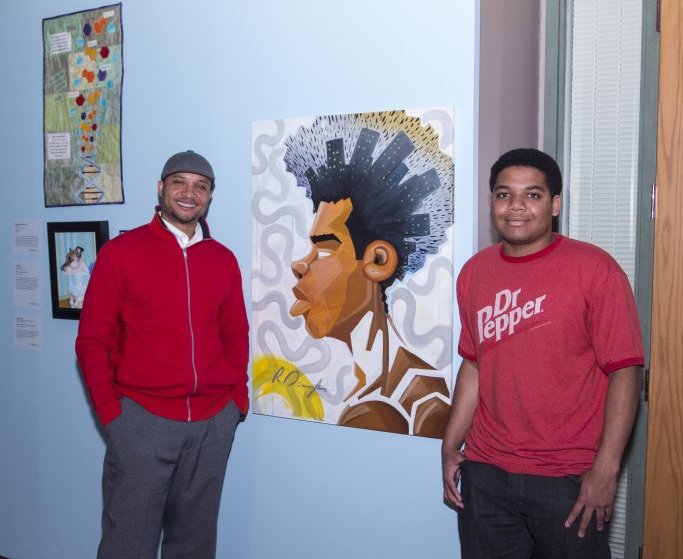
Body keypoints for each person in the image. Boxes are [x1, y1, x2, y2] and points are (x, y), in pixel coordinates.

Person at [442, 148, 644, 557]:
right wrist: (450, 444)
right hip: (485, 475)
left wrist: (605, 471)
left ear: (554, 205)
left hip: (567, 480)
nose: (516, 206)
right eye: (504, 194)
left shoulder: (595, 270)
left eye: (532, 195)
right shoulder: (475, 272)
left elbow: (626, 370)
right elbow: (475, 363)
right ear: (491, 202)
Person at [76, 150, 249, 559]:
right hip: (142, 422)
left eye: (200, 186)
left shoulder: (223, 260)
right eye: (179, 183)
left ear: (209, 196)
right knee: (127, 544)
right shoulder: (123, 253)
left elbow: (236, 334)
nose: (189, 194)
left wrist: (235, 403)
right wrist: (114, 417)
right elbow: (91, 340)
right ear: (161, 189)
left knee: (193, 546)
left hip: (211, 425)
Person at [283, 114, 454, 437]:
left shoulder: (411, 406)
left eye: (324, 247)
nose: (299, 265)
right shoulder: (379, 388)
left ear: (377, 260)